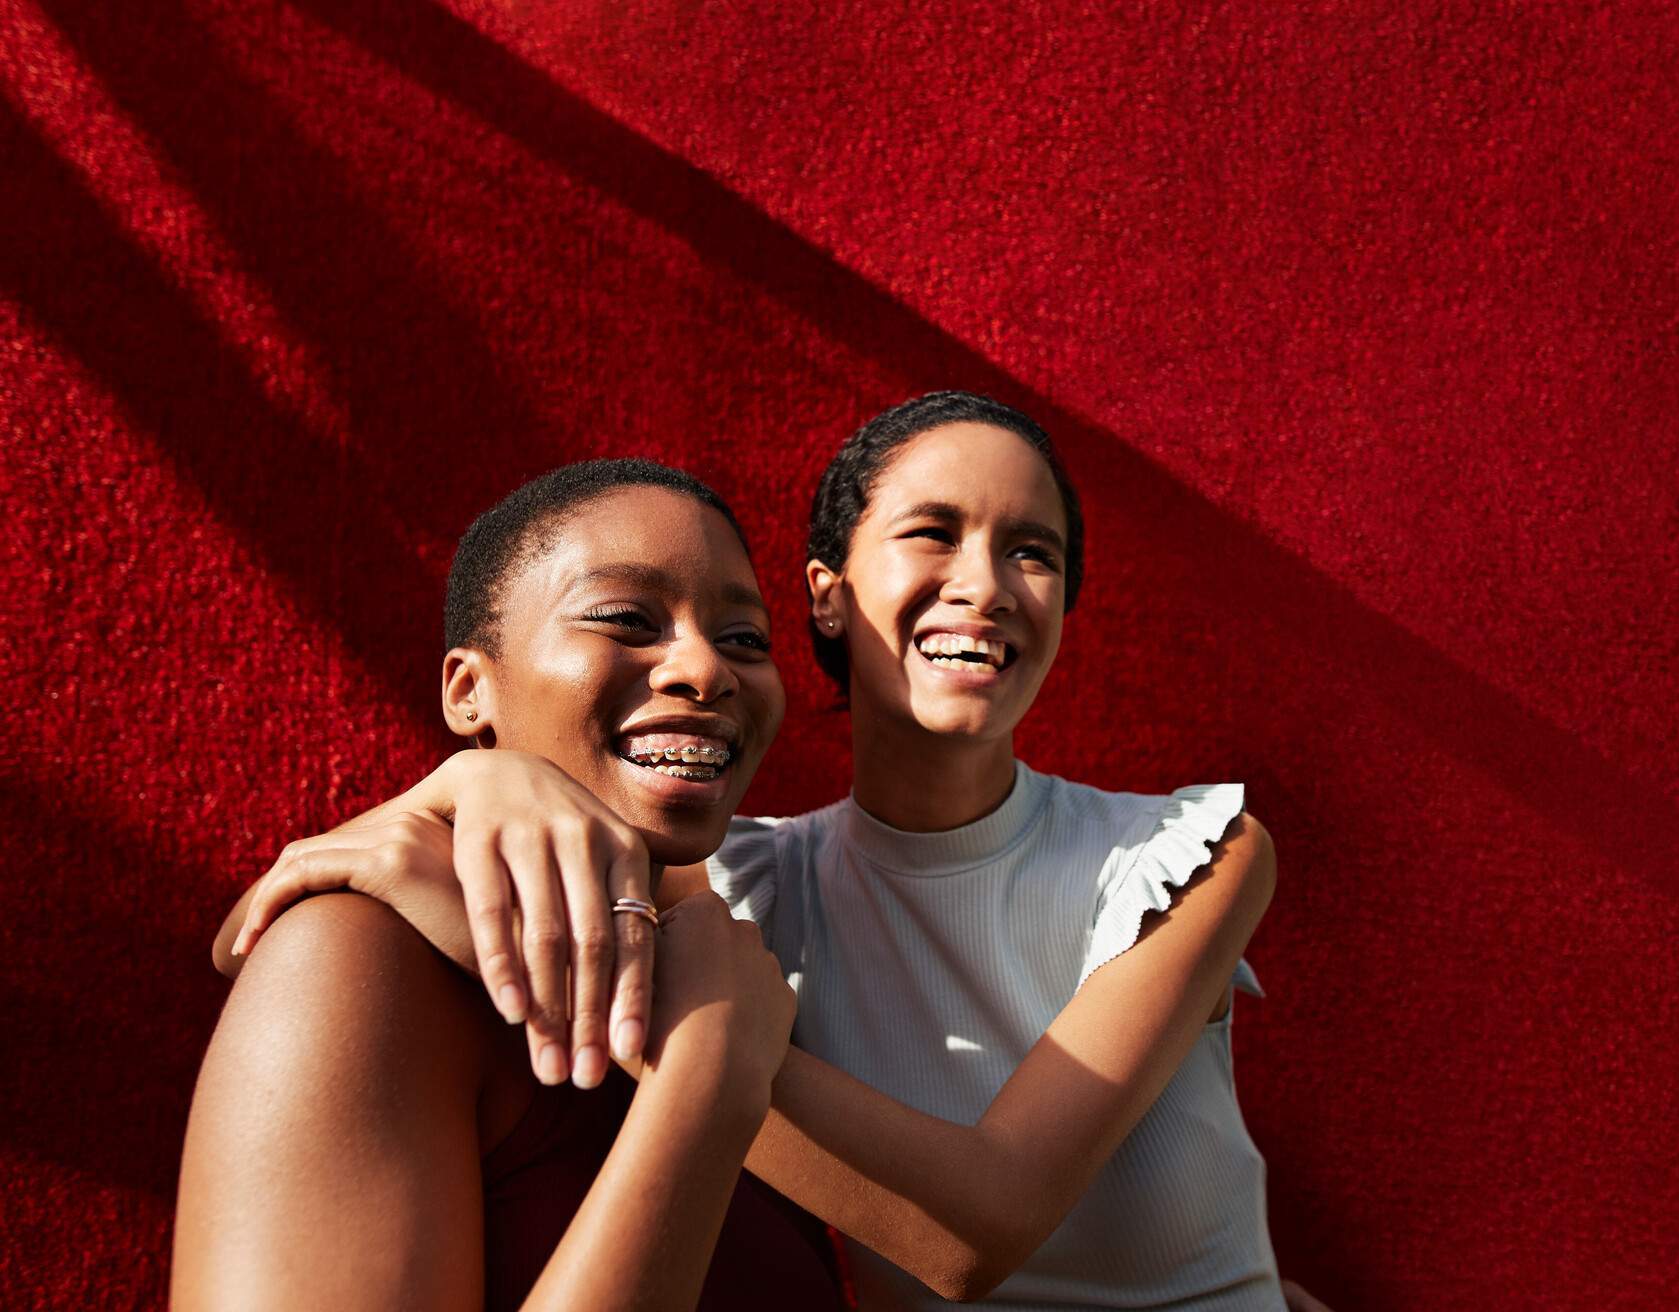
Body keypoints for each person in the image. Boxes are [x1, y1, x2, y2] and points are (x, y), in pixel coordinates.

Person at [225, 392, 1328, 1310]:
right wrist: (473, 777)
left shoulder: (1190, 852)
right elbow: (588, 829)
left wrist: (696, 1034)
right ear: (829, 596)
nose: (985, 583)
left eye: (1032, 552)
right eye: (935, 531)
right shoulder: (742, 885)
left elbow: (974, 1234)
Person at [176, 460, 843, 1310]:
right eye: (626, 619)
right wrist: (702, 1083)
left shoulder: (747, 964)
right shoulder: (356, 962)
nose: (706, 669)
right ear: (468, 690)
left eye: (746, 639)